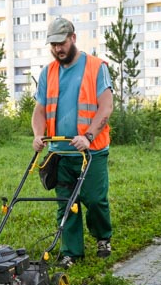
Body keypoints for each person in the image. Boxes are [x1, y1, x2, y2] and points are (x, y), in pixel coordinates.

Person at [32, 18, 114, 269]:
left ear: (73, 38)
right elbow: (39, 110)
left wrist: (88, 136)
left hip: (91, 151)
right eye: (53, 45)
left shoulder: (96, 67)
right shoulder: (48, 72)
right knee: (66, 204)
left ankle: (103, 238)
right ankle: (71, 252)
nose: (58, 49)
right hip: (60, 152)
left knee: (95, 199)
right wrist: (38, 134)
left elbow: (106, 107)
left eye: (62, 43)